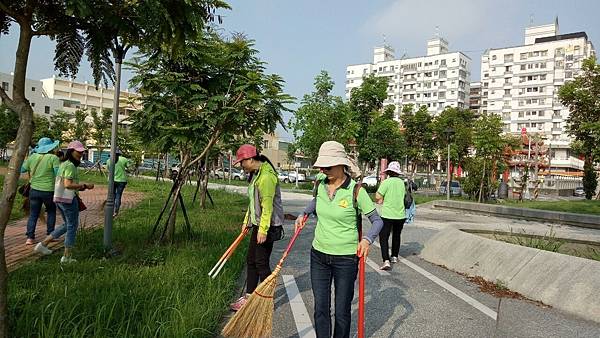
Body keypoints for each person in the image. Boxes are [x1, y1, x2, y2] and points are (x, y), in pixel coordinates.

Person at [295, 141, 383, 338]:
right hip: (318, 256)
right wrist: (303, 213)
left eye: (328, 166)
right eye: (322, 166)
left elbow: (377, 221)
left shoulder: (356, 191)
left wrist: (367, 240)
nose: (324, 170)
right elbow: (315, 201)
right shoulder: (320, 183)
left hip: (345, 259)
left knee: (342, 312)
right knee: (320, 308)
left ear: (342, 164)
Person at [229, 144, 284, 311]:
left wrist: (262, 230)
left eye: (242, 162)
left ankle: (267, 299)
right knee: (251, 260)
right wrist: (248, 221)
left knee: (260, 262)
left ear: (250, 159)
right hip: (259, 223)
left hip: (268, 226)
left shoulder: (266, 177)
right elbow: (253, 203)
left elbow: (267, 206)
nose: (241, 166)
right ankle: (249, 296)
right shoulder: (256, 174)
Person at [34, 141, 95, 263]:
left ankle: (43, 244)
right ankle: (67, 256)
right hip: (68, 200)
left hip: (59, 199)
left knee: (67, 224)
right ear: (71, 151)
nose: (81, 153)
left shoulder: (64, 164)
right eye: (78, 151)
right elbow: (68, 185)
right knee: (72, 226)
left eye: (82, 151)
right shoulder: (70, 166)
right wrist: (85, 185)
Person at [21, 137, 61, 245]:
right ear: (50, 147)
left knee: (33, 214)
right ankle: (50, 235)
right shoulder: (53, 158)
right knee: (51, 211)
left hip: (34, 190)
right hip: (49, 190)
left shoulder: (32, 157)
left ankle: (30, 238)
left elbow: (22, 169)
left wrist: (30, 157)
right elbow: (58, 173)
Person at [375, 161, 407, 270]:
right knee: (396, 235)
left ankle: (386, 260)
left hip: (388, 214)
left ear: (388, 172)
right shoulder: (402, 183)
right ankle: (394, 256)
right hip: (400, 214)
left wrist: (382, 199)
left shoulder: (386, 182)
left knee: (384, 237)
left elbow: (378, 196)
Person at [106, 149, 130, 217]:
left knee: (112, 196)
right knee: (118, 196)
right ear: (119, 154)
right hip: (121, 181)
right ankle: (116, 211)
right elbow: (128, 167)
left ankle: (111, 211)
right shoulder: (124, 159)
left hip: (111, 181)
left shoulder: (108, 160)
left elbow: (108, 169)